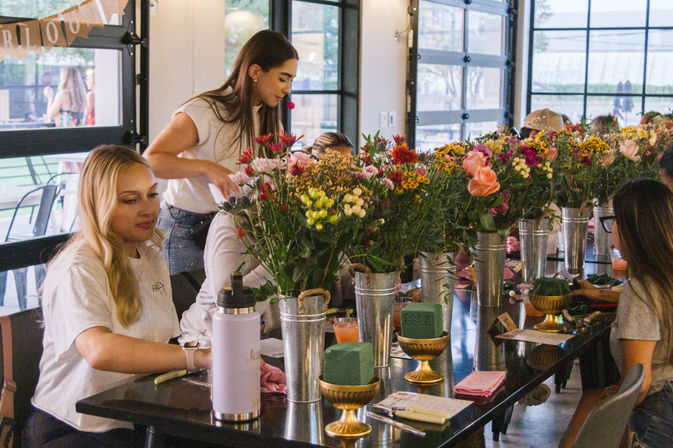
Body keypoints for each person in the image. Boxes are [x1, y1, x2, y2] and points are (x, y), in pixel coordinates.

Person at [24, 146, 211, 448]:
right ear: (100, 204)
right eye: (130, 200)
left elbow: (161, 346)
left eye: (151, 195)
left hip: (129, 416)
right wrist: (198, 358)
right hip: (73, 425)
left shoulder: (150, 258)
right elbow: (100, 350)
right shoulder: (79, 266)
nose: (149, 209)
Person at [144, 30, 298, 275]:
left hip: (236, 226)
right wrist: (207, 167)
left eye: (291, 80)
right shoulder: (206, 110)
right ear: (255, 72)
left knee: (229, 310)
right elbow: (152, 160)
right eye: (283, 78)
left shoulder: (267, 119)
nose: (287, 89)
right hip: (188, 227)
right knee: (189, 310)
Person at [180, 132, 355, 345]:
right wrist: (284, 258)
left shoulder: (310, 223)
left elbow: (345, 281)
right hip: (212, 341)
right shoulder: (232, 223)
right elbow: (227, 305)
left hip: (277, 338)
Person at [561, 178, 673, 447]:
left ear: (633, 229)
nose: (612, 229)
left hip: (657, 416)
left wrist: (614, 398)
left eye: (614, 220)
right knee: (594, 397)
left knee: (592, 402)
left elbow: (640, 384)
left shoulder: (641, 290)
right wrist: (601, 294)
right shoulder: (664, 280)